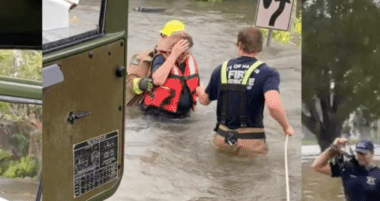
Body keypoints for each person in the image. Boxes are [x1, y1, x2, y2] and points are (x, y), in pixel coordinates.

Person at [196, 27, 293, 155]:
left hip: (222, 138)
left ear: (239, 45)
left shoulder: (220, 69)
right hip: (251, 142)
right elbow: (273, 105)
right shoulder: (268, 73)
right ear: (259, 47)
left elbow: (204, 101)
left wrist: (199, 89)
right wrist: (286, 127)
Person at [311, 138, 380, 201]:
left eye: (363, 154)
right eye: (358, 153)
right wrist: (333, 148)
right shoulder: (347, 168)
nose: (360, 156)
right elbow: (317, 166)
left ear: (372, 154)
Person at [125, 20, 186, 108]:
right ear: (163, 36)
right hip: (142, 109)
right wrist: (141, 83)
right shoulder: (143, 58)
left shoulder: (185, 61)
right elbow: (127, 83)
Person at [143, 30, 200, 118]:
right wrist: (174, 54)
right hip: (159, 116)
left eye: (187, 49)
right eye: (182, 50)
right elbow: (158, 80)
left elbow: (195, 85)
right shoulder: (161, 58)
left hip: (184, 117)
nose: (185, 53)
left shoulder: (189, 60)